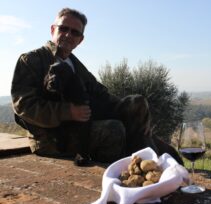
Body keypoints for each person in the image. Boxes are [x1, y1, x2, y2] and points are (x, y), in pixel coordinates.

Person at [11, 8, 183, 165]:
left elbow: (102, 95)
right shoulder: (32, 60)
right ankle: (118, 176)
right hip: (53, 138)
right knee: (113, 129)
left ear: (80, 39)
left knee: (137, 102)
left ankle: (149, 168)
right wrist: (68, 111)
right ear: (52, 29)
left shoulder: (75, 65)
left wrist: (138, 114)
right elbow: (23, 105)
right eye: (63, 28)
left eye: (75, 32)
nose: (68, 35)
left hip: (82, 129)